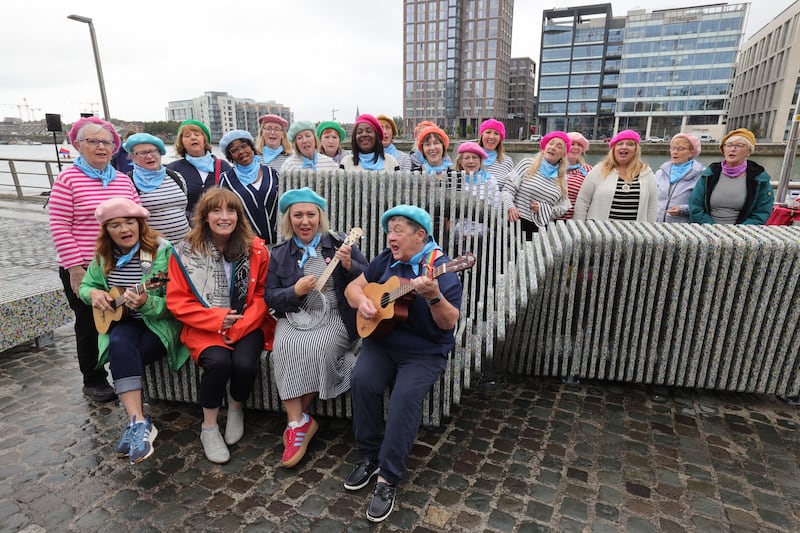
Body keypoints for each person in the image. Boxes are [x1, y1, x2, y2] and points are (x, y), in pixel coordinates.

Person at [344, 205, 462, 523]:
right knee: (362, 383)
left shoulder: (441, 267)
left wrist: (435, 297)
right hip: (382, 342)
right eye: (389, 230)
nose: (390, 236)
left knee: (403, 401)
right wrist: (364, 301)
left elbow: (449, 321)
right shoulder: (386, 259)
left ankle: (388, 479)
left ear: (420, 236)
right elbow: (351, 287)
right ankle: (369, 456)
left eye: (398, 230)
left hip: (424, 351)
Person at [167, 188, 276, 464]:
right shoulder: (185, 253)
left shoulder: (256, 249)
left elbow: (263, 293)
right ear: (204, 216)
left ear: (239, 216)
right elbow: (178, 301)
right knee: (218, 363)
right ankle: (209, 427)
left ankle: (236, 408)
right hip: (204, 325)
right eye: (217, 210)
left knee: (245, 364)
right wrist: (217, 321)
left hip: (247, 322)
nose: (224, 217)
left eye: (231, 211)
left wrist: (238, 327)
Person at [265, 188, 368, 468]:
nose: (305, 221)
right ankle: (299, 422)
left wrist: (348, 265)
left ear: (320, 217)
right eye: (298, 215)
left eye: (311, 214)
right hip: (297, 313)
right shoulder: (281, 253)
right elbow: (270, 296)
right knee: (283, 348)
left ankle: (295, 424)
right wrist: (294, 291)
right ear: (290, 219)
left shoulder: (340, 244)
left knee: (317, 348)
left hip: (335, 314)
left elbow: (368, 277)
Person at [79, 198, 188, 463]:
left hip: (159, 323)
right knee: (118, 342)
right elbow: (85, 286)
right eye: (115, 225)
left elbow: (176, 300)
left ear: (140, 224)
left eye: (129, 222)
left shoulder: (160, 252)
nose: (124, 229)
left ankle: (137, 425)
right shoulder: (103, 256)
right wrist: (94, 293)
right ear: (107, 231)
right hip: (123, 321)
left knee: (122, 353)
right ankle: (138, 421)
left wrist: (147, 301)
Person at [48, 116, 140, 403]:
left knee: (124, 317)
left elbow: (137, 219)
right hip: (86, 266)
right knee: (89, 323)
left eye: (106, 142)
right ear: (77, 145)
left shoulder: (123, 180)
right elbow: (59, 224)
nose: (101, 147)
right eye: (93, 141)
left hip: (122, 264)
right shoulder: (68, 179)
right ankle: (94, 378)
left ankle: (128, 374)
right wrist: (74, 268)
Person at [689, 128, 774, 224]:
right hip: (708, 231)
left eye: (739, 145)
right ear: (723, 149)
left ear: (749, 151)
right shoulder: (710, 174)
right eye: (728, 145)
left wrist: (735, 233)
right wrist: (714, 229)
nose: (732, 149)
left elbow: (761, 213)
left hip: (741, 235)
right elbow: (695, 207)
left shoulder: (759, 178)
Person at [573, 130, 657, 222]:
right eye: (620, 144)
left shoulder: (646, 173)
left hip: (635, 232)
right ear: (614, 149)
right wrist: (580, 226)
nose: (624, 147)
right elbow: (582, 202)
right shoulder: (599, 170)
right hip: (600, 231)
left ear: (636, 150)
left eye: (630, 144)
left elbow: (652, 206)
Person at [123, 133, 191, 242]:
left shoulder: (176, 177)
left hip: (186, 247)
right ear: (133, 157)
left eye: (153, 151)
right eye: (142, 153)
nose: (149, 156)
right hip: (155, 250)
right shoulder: (128, 182)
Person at [502, 131, 572, 238]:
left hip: (540, 233)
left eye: (559, 146)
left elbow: (562, 208)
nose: (553, 148)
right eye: (551, 143)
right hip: (514, 225)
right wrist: (510, 207)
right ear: (544, 148)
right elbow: (507, 190)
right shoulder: (527, 164)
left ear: (563, 154)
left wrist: (543, 209)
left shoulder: (562, 178)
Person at [217, 130, 281, 245]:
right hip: (247, 246)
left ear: (251, 147)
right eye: (234, 150)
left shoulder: (272, 173)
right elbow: (224, 212)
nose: (241, 152)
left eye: (243, 146)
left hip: (279, 244)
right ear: (230, 156)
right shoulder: (226, 180)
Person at [167, 120, 231, 219]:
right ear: (182, 142)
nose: (193, 138)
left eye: (197, 134)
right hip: (188, 228)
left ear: (204, 139)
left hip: (219, 224)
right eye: (187, 136)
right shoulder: (174, 169)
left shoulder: (222, 166)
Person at [655, 134, 704, 223]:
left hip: (683, 229)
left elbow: (704, 204)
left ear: (691, 152)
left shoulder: (701, 175)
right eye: (673, 148)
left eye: (680, 149)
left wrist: (683, 209)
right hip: (657, 226)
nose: (675, 152)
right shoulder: (660, 173)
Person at [558, 132, 593, 220]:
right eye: (572, 144)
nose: (576, 147)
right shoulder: (551, 167)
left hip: (575, 222)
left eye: (579, 145)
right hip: (548, 220)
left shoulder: (589, 171)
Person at [477, 119, 514, 190]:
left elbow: (510, 190)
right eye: (488, 132)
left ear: (500, 138)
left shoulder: (507, 161)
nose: (491, 137)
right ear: (482, 135)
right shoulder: (470, 157)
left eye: (496, 133)